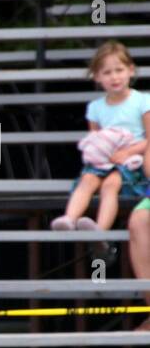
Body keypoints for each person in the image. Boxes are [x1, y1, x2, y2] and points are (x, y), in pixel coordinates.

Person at [54, 41, 150, 232]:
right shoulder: (95, 108)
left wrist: (128, 152)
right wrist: (101, 156)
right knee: (88, 179)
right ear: (97, 77)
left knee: (111, 184)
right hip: (104, 160)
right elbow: (95, 139)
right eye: (107, 73)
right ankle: (69, 218)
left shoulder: (143, 101)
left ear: (130, 70)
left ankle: (100, 229)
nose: (114, 77)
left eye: (119, 70)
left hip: (131, 161)